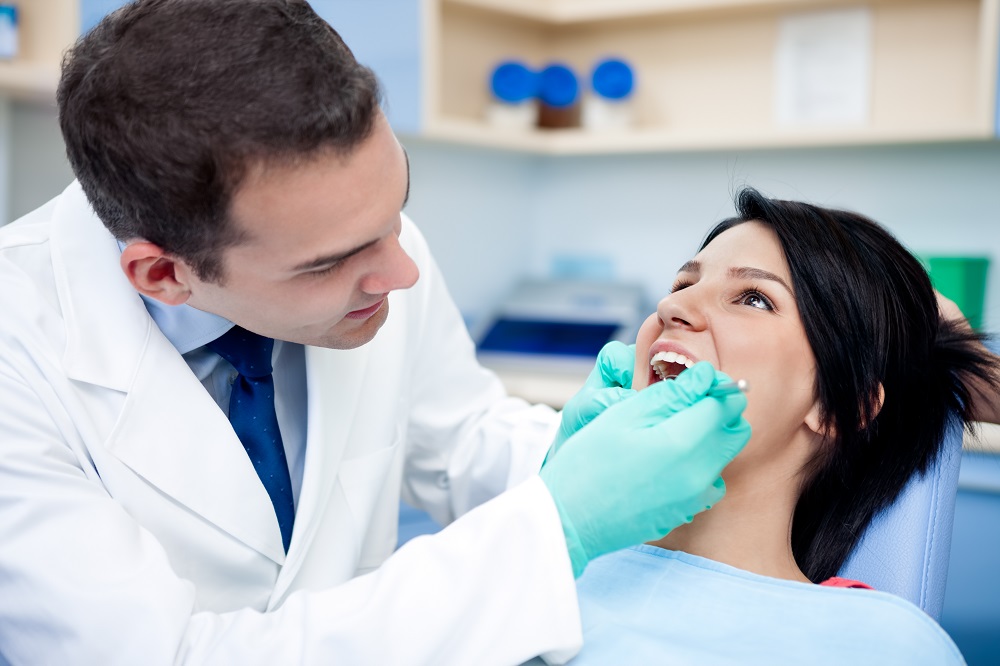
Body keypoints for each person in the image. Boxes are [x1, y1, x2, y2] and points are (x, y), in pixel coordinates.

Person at [0, 1, 752, 664]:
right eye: (332, 263)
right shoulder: (18, 351)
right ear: (164, 275)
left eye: (396, 214)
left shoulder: (368, 246)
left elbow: (456, 441)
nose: (402, 272)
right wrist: (560, 521)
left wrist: (573, 455)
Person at [523, 188, 1000, 664]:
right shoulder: (532, 571)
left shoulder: (880, 644)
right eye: (681, 286)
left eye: (753, 298)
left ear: (844, 406)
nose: (673, 308)